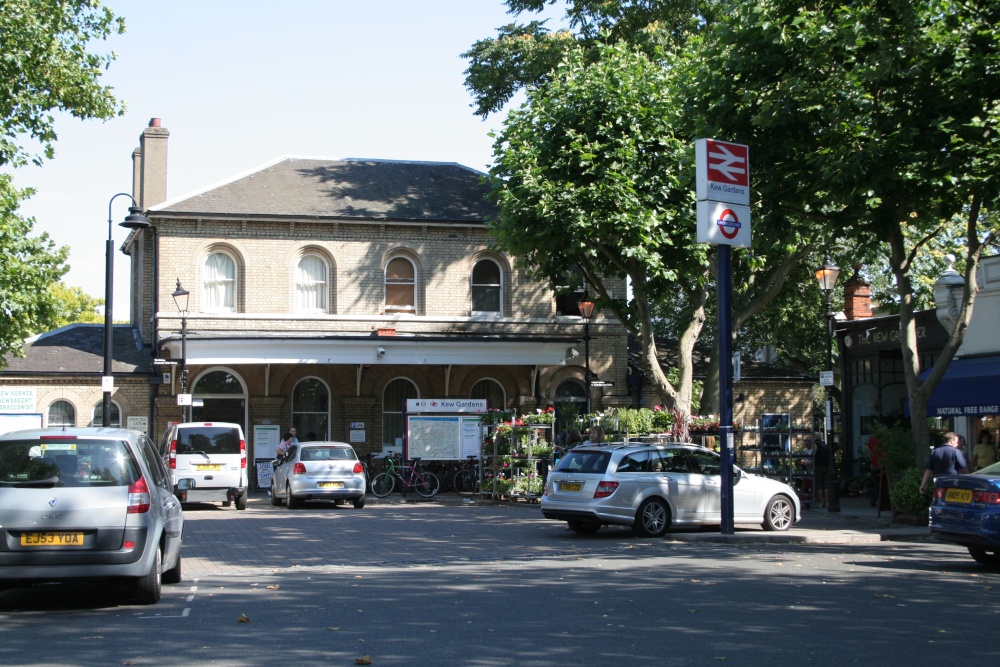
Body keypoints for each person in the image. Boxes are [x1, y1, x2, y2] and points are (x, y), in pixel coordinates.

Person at [811, 435, 831, 509]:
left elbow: (814, 454)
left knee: (819, 485)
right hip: (826, 466)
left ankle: (820, 502)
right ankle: (827, 502)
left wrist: (811, 460)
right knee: (825, 485)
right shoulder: (825, 445)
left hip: (819, 466)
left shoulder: (816, 444)